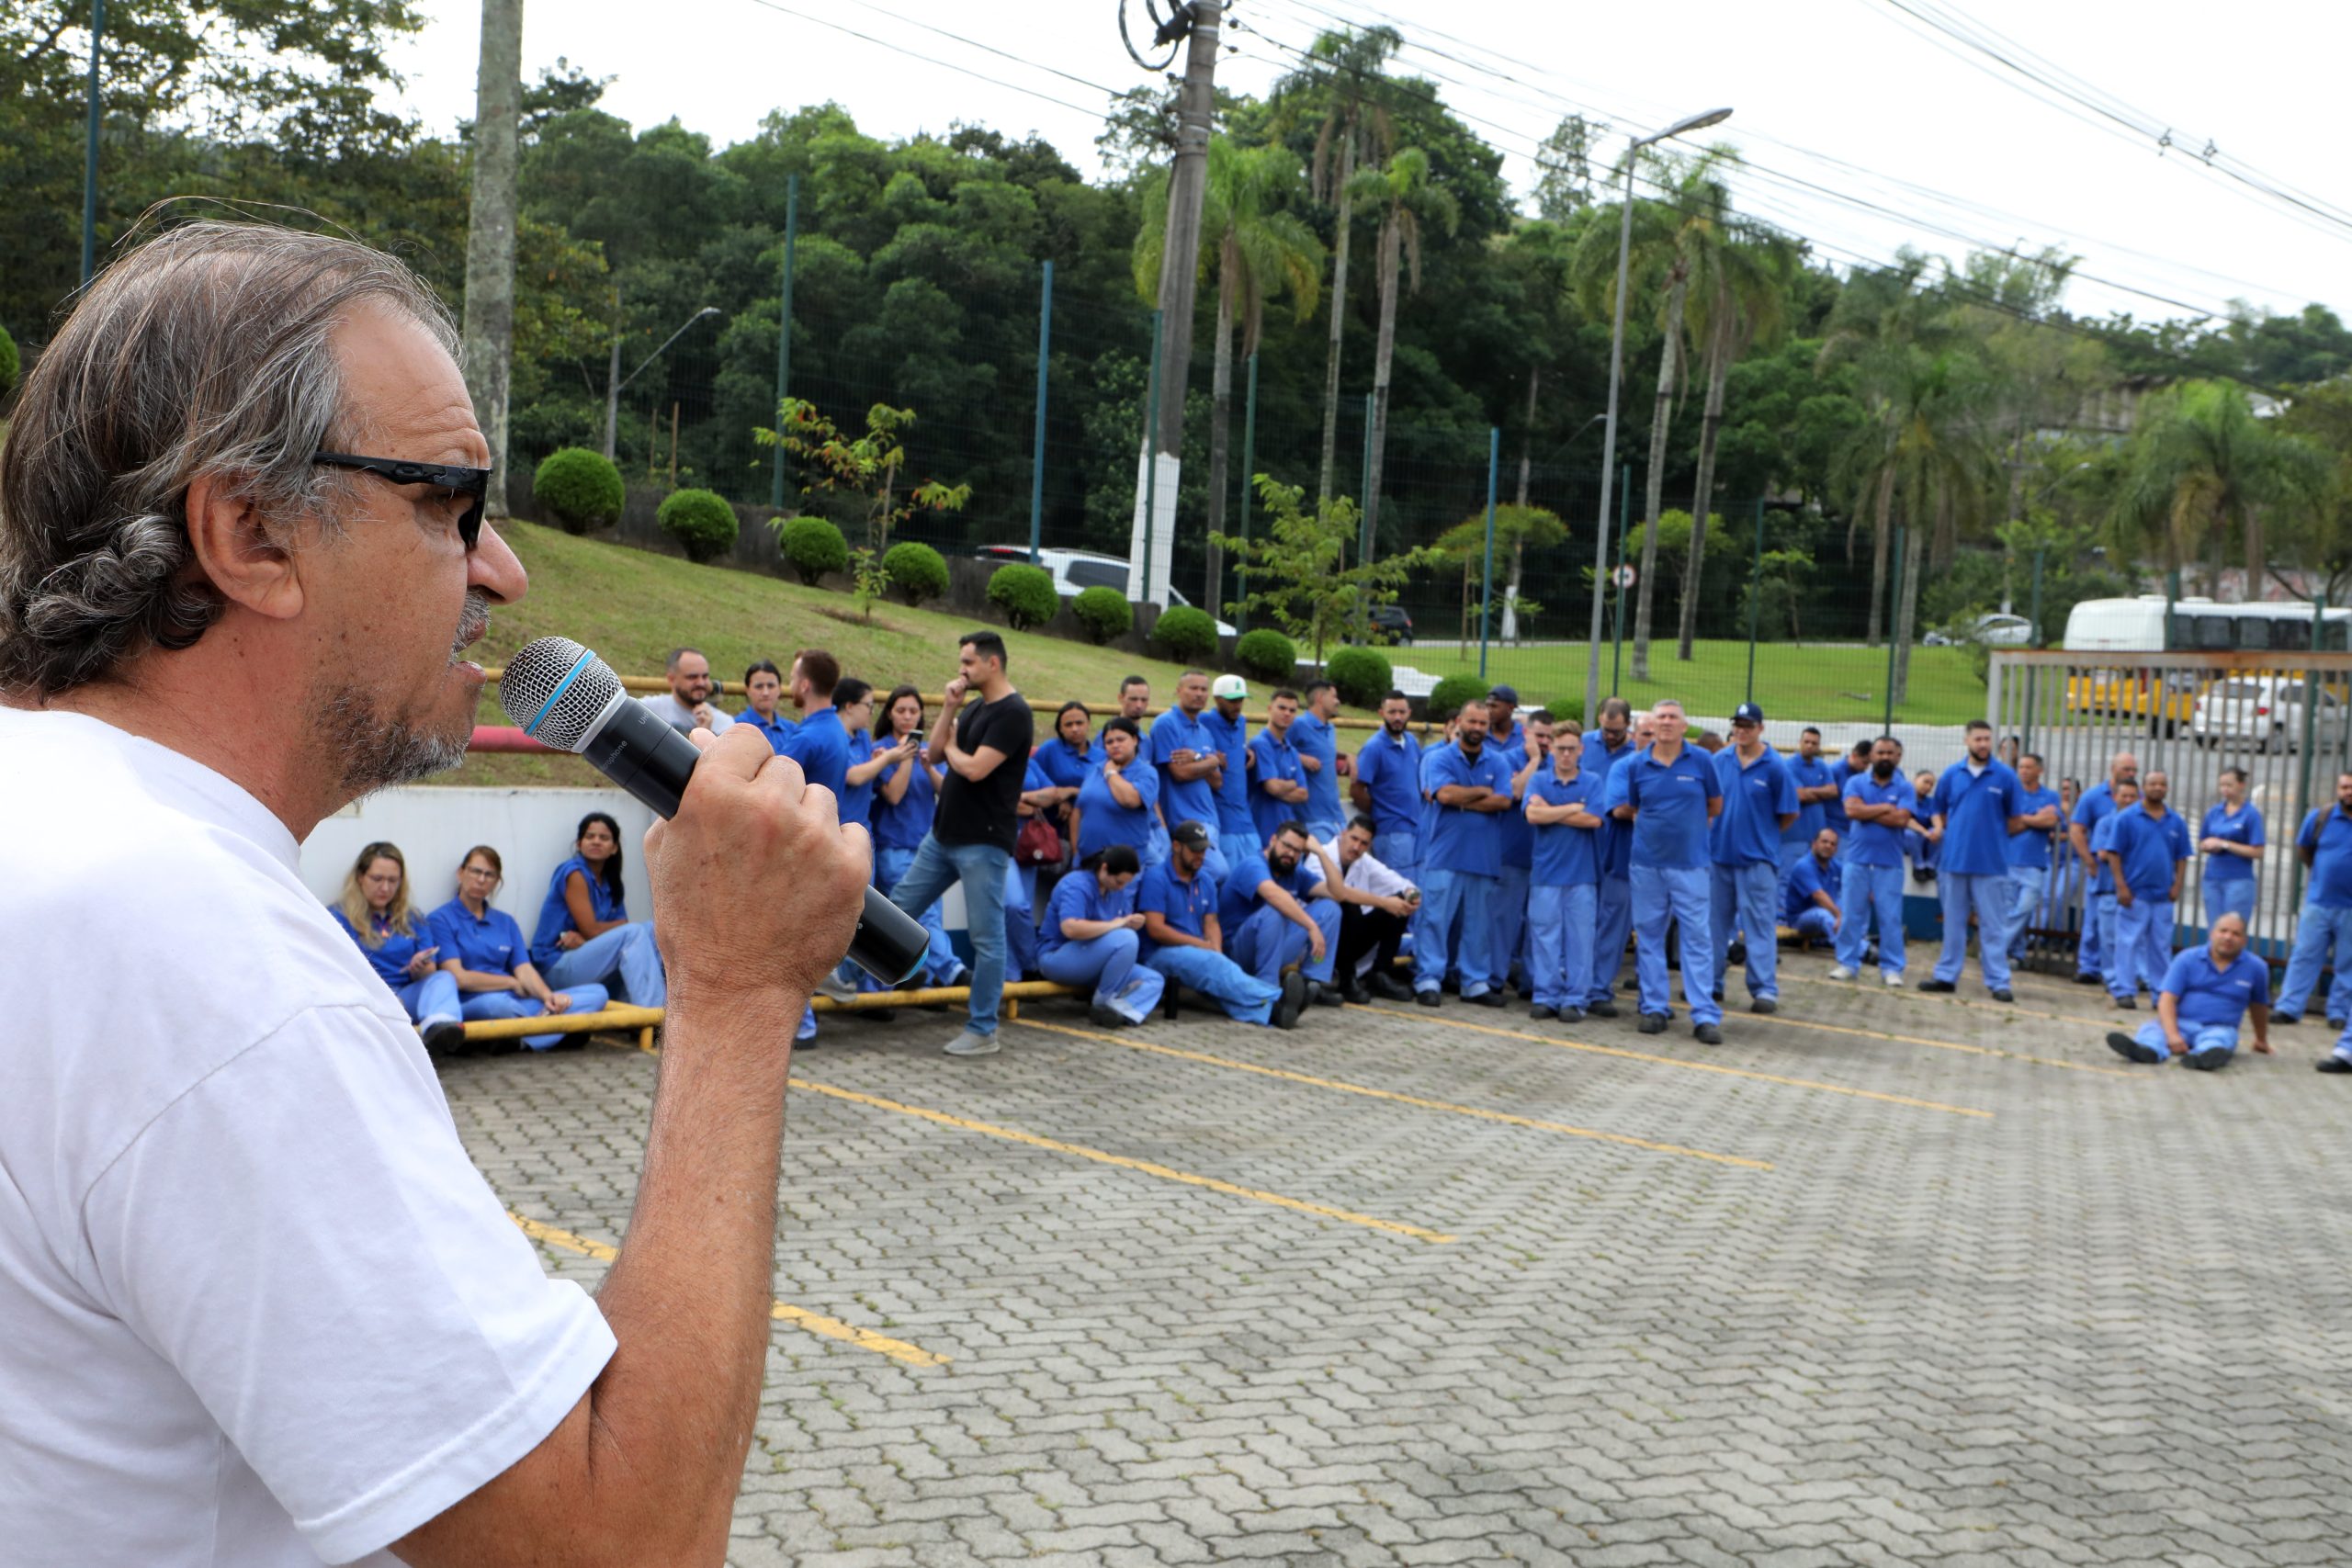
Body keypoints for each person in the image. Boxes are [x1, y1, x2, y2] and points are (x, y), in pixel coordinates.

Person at [0, 219, 871, 1562]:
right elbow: (614, 1546)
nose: (503, 571)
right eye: (448, 502)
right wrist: (743, 990)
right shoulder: (196, 952)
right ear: (249, 532)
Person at [885, 631, 1035, 1056]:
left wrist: (951, 745)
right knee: (898, 910)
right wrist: (950, 708)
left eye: (968, 663)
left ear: (993, 664)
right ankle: (844, 975)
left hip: (983, 842)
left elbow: (973, 769)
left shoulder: (1014, 713)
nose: (961, 670)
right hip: (943, 834)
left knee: (988, 938)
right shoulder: (972, 708)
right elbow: (932, 752)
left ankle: (983, 1027)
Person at [1613, 698, 1725, 1042]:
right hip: (1646, 864)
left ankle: (1704, 1015)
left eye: (1672, 717)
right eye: (1660, 716)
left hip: (1691, 866)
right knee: (1648, 938)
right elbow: (1633, 806)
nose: (1665, 722)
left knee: (1697, 940)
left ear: (1683, 726)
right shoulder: (1637, 764)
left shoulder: (1703, 761)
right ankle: (1653, 1008)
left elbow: (1715, 805)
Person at [428, 846, 609, 1051]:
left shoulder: (506, 922)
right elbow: (459, 978)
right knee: (497, 1006)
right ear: (461, 873)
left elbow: (524, 968)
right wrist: (511, 982)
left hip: (520, 1003)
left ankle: (523, 1040)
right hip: (478, 1003)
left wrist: (548, 997)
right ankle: (548, 1033)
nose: (481, 879)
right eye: (475, 871)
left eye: (489, 875)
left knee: (598, 993)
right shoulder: (440, 919)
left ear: (497, 881)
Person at [1136, 820, 1301, 1028]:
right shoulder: (1157, 878)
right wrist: (1201, 946)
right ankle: (1277, 996)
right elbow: (1156, 930)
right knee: (1213, 967)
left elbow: (1212, 922)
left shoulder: (1205, 880)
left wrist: (1215, 949)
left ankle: (1274, 1013)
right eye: (1195, 850)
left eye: (1204, 850)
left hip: (1196, 952)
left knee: (1218, 979)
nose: (1201, 856)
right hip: (1158, 953)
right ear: (1176, 846)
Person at [1414, 701, 1515, 1007]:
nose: (1476, 729)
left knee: (1478, 924)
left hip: (1483, 857)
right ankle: (1429, 979)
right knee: (1434, 918)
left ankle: (1474, 982)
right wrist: (1482, 792)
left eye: (1482, 724)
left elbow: (1503, 802)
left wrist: (1462, 799)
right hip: (1444, 853)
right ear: (1459, 721)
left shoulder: (1497, 762)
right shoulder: (1438, 757)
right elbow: (1443, 794)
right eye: (1472, 722)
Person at [1920, 719, 2024, 1002]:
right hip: (1954, 861)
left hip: (1991, 865)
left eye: (1987, 739)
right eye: (1977, 739)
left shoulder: (2005, 776)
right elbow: (1939, 811)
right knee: (1953, 922)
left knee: (1992, 925)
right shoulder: (1952, 774)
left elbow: (2015, 820)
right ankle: (1946, 976)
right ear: (1967, 741)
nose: (1982, 744)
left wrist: (1992, 839)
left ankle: (1998, 981)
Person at [331, 840, 463, 1052]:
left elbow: (430, 971)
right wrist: (385, 996)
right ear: (360, 877)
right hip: (368, 997)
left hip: (407, 993)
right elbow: (338, 971)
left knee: (443, 978)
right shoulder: (339, 917)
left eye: (393, 881)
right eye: (377, 879)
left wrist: (420, 967)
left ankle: (440, 1029)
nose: (385, 888)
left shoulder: (413, 917)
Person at [1708, 703, 1797, 1014]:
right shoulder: (1719, 760)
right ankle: (1710, 984)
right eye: (1738, 725)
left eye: (1748, 725)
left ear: (1761, 728)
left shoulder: (1775, 767)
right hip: (1718, 858)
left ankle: (1763, 990)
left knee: (1759, 927)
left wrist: (1762, 836)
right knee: (1714, 926)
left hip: (1757, 861)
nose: (1742, 730)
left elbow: (1788, 813)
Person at [871, 685, 961, 987]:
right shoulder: (884, 749)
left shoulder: (931, 752)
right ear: (890, 714)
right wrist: (904, 758)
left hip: (926, 845)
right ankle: (951, 971)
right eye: (901, 710)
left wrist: (928, 765)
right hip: (894, 847)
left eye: (914, 711)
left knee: (932, 913)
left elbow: (946, 794)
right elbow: (893, 795)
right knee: (920, 919)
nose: (908, 716)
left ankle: (929, 981)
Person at [530, 810, 667, 1008]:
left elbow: (604, 933)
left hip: (584, 957)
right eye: (589, 836)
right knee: (633, 933)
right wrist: (606, 929)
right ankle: (653, 1013)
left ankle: (631, 1004)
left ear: (614, 848)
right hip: (555, 966)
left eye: (604, 838)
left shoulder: (611, 882)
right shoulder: (574, 873)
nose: (596, 841)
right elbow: (593, 929)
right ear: (579, 844)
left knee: (652, 929)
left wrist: (587, 937)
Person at [2106, 912, 2271, 1070]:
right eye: (2223, 931)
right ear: (2212, 934)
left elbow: (2259, 1006)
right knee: (2153, 1032)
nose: (2228, 937)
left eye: (2236, 934)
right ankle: (2147, 1052)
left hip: (2220, 1027)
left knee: (2219, 1040)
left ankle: (2203, 1058)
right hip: (2180, 1023)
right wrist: (2173, 1036)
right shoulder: (2187, 959)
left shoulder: (2256, 968)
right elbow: (2167, 1000)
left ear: (2244, 940)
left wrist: (2261, 1040)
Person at [1038, 844, 1167, 1028]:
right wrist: (1119, 923)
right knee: (1127, 939)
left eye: (1125, 884)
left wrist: (1128, 923)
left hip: (1095, 963)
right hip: (1057, 957)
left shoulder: (1115, 891)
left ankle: (1116, 1011)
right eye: (1119, 882)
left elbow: (1114, 934)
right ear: (1104, 868)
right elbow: (1070, 928)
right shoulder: (1076, 884)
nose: (1121, 887)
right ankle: (1103, 1003)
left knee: (1154, 980)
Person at [1524, 727, 1602, 1023]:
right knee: (1545, 938)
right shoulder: (1539, 779)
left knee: (1580, 940)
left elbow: (1594, 819)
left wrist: (1552, 810)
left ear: (1581, 749)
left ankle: (1576, 999)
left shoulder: (1593, 781)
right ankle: (1546, 996)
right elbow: (1532, 815)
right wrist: (1572, 808)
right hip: (1545, 873)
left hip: (1582, 876)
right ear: (1552, 750)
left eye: (1571, 748)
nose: (1566, 754)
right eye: (1560, 749)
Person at [1221, 821, 1346, 1005]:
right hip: (1237, 952)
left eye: (1297, 851)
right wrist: (1311, 926)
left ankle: (1311, 983)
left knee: (1330, 909)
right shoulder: (1253, 864)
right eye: (1287, 846)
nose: (1291, 854)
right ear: (1273, 840)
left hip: (1273, 947)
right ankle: (1268, 994)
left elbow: (1338, 893)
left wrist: (1321, 853)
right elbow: (1273, 894)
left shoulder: (1295, 872)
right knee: (1274, 911)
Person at [2101, 769, 2192, 1009]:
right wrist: (2121, 886)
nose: (2158, 788)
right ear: (2144, 787)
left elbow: (2182, 856)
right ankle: (2124, 990)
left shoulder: (2175, 821)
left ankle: (2160, 994)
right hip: (2135, 894)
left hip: (2163, 896)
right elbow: (2114, 853)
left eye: (2162, 784)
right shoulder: (2127, 818)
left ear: (2167, 788)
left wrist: (2178, 885)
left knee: (2160, 947)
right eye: (2153, 784)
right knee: (2127, 943)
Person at [1833, 737, 1916, 987]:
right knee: (1850, 915)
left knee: (1890, 918)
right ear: (1871, 756)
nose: (1885, 757)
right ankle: (1847, 963)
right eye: (1880, 753)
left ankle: (1892, 968)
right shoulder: (1855, 781)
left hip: (1889, 863)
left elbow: (1902, 820)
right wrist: (1885, 808)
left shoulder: (1905, 787)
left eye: (1890, 753)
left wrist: (1867, 810)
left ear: (1898, 757)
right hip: (1856, 860)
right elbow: (1851, 811)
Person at [2274, 772, 2352, 1028]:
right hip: (2319, 902)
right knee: (2304, 955)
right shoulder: (2321, 818)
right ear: (2338, 789)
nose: (2348, 791)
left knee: (2348, 963)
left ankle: (2339, 1013)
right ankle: (2288, 1008)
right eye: (2344, 787)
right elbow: (2304, 850)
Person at [1581, 697, 1640, 1017]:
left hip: (1620, 851)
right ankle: (1573, 981)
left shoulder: (1638, 755)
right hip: (1583, 846)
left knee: (1614, 924)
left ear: (1627, 726)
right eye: (1606, 729)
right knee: (1579, 919)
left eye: (1617, 732)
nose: (1610, 737)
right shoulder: (1580, 746)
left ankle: (1599, 988)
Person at [1492, 704, 1551, 998]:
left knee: (1537, 925)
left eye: (1548, 738)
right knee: (1505, 922)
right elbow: (1515, 791)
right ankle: (1495, 979)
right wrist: (1535, 760)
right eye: (1539, 735)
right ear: (1526, 733)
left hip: (1543, 860)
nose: (1544, 742)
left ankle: (1531, 981)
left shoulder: (1558, 765)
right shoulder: (1506, 759)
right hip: (1511, 856)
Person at [2068, 750, 2141, 987]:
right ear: (2113, 768)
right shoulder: (2093, 797)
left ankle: (2127, 973)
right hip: (2100, 873)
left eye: (2133, 771)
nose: (2130, 774)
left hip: (2129, 877)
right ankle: (2089, 967)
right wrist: (2089, 861)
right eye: (2126, 769)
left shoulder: (2138, 805)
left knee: (2126, 928)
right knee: (2094, 924)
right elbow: (2077, 829)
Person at [1150, 670, 1230, 885]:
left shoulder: (1204, 731)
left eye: (1203, 689)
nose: (1199, 694)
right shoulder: (1166, 724)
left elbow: (1217, 782)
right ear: (1179, 691)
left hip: (1211, 820)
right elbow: (1179, 773)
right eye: (1193, 688)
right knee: (1218, 871)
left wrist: (1197, 757)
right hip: (1184, 821)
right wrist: (1212, 761)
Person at [1330, 815, 1419, 1000]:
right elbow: (1341, 893)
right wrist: (1384, 902)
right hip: (1322, 943)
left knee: (1400, 902)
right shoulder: (1321, 856)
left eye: (1363, 843)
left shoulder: (1364, 861)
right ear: (1343, 834)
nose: (1357, 847)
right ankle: (1347, 980)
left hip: (1349, 941)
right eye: (1354, 839)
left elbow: (1401, 883)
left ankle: (1380, 974)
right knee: (1350, 904)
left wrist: (1411, 895)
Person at [1351, 690, 1425, 880]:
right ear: (1381, 713)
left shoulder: (1412, 742)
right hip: (1392, 832)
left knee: (1415, 888)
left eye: (1402, 712)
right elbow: (1357, 789)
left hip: (1416, 828)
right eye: (1392, 712)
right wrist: (1381, 811)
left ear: (1409, 713)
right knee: (1398, 890)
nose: (1397, 717)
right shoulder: (1374, 748)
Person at [1069, 716, 1160, 863]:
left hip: (1123, 869)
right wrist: (1076, 851)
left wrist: (1111, 773)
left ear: (1135, 740)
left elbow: (1130, 800)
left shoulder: (1146, 772)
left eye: (1121, 739)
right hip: (1087, 862)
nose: (1115, 745)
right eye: (1109, 742)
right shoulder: (1094, 769)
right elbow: (1079, 810)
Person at [2002, 752, 2064, 964]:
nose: (2024, 771)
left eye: (2029, 767)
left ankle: (1998, 948)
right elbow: (2006, 826)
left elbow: (2051, 820)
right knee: (2010, 909)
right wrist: (2036, 817)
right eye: (2021, 767)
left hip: (2035, 863)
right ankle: (2015, 954)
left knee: (2025, 909)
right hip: (2009, 861)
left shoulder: (2050, 796)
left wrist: (2023, 819)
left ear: (2040, 770)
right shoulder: (2011, 794)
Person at [1203, 674, 1261, 869]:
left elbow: (1234, 746)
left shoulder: (1241, 722)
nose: (1237, 705)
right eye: (1232, 700)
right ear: (1217, 699)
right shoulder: (1204, 720)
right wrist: (1204, 755)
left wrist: (1245, 751)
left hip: (1246, 817)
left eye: (1241, 700)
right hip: (1222, 819)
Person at [2199, 766, 2265, 929]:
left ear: (2241, 785)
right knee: (2214, 929)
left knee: (2234, 928)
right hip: (2212, 878)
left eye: (2229, 785)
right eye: (2222, 785)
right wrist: (2208, 846)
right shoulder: (2215, 812)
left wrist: (2225, 844)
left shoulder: (2250, 814)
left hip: (2238, 879)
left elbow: (2258, 851)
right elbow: (2202, 841)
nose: (2225, 790)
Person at [1249, 687, 1312, 846]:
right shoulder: (1260, 744)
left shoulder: (1291, 750)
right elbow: (1273, 787)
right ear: (1270, 709)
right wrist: (1291, 784)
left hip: (1287, 832)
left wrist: (1277, 787)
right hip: (1262, 829)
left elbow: (1303, 794)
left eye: (1292, 710)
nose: (1287, 714)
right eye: (1282, 708)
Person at [1781, 727, 1838, 886]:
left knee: (1814, 882)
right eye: (1806, 742)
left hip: (1816, 839)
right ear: (1799, 743)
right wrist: (1820, 793)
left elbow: (1833, 791)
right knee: (1788, 880)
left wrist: (1808, 792)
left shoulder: (1822, 766)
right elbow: (1798, 795)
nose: (1810, 746)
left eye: (1814, 743)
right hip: (1793, 837)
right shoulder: (1789, 766)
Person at [1293, 680, 1347, 843]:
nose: (1338, 701)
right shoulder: (1298, 725)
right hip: (1312, 820)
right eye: (1334, 697)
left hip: (1337, 817)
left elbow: (1322, 751)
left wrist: (1346, 757)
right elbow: (1276, 748)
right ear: (1319, 697)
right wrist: (1301, 758)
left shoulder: (1330, 729)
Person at [639, 645, 733, 734]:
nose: (701, 683)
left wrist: (705, 734)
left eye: (705, 676)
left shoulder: (724, 724)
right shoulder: (647, 711)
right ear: (672, 679)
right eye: (692, 677)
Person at [1785, 829, 1843, 947]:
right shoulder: (1803, 866)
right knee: (1822, 914)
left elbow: (1853, 885)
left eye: (1833, 844)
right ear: (1814, 844)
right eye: (1824, 842)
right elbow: (1819, 896)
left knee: (1852, 905)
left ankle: (1860, 942)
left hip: (1829, 914)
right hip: (1800, 919)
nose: (1828, 846)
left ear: (1836, 849)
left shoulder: (1836, 865)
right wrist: (1839, 915)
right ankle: (1861, 951)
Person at [736, 658, 793, 750]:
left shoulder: (793, 730)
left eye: (771, 686)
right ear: (747, 690)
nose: (765, 693)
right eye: (759, 686)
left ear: (779, 689)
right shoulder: (736, 727)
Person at [1905, 767, 1943, 886]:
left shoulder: (1930, 802)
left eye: (1931, 784)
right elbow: (1907, 820)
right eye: (1925, 782)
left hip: (1925, 838)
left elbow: (1936, 818)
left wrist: (1937, 830)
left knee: (1943, 833)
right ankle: (1919, 865)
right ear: (1915, 779)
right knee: (1909, 834)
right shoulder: (1906, 798)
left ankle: (1930, 865)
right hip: (1911, 837)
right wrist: (1924, 832)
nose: (1928, 787)